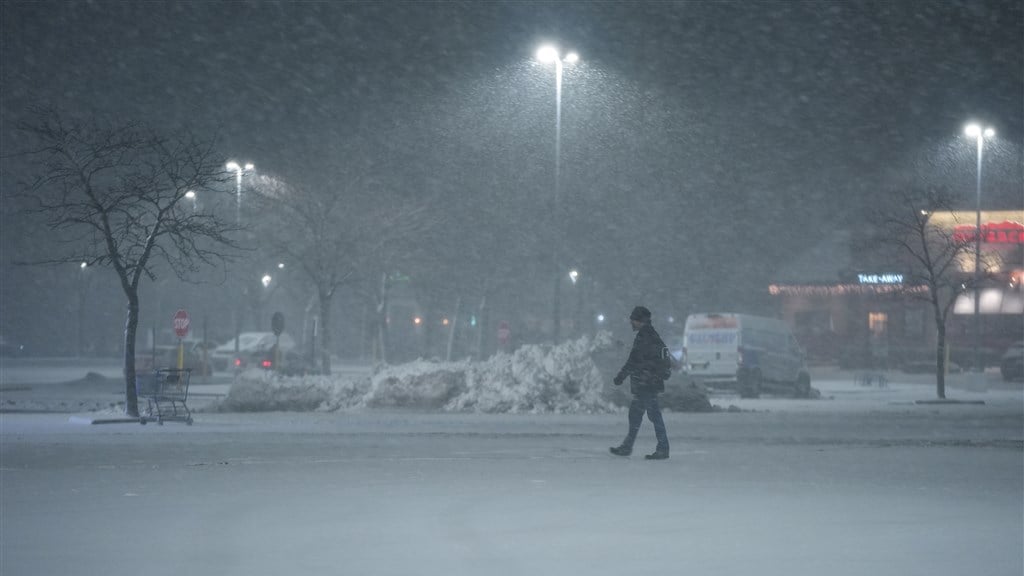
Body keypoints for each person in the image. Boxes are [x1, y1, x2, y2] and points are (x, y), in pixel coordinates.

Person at [609, 305, 671, 460]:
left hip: (646, 385)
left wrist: (625, 375)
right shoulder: (646, 335)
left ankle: (662, 448)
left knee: (653, 415)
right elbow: (636, 361)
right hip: (644, 384)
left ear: (640, 321)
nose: (631, 322)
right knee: (636, 415)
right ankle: (628, 446)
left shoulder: (647, 337)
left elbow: (636, 361)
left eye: (633, 319)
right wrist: (623, 376)